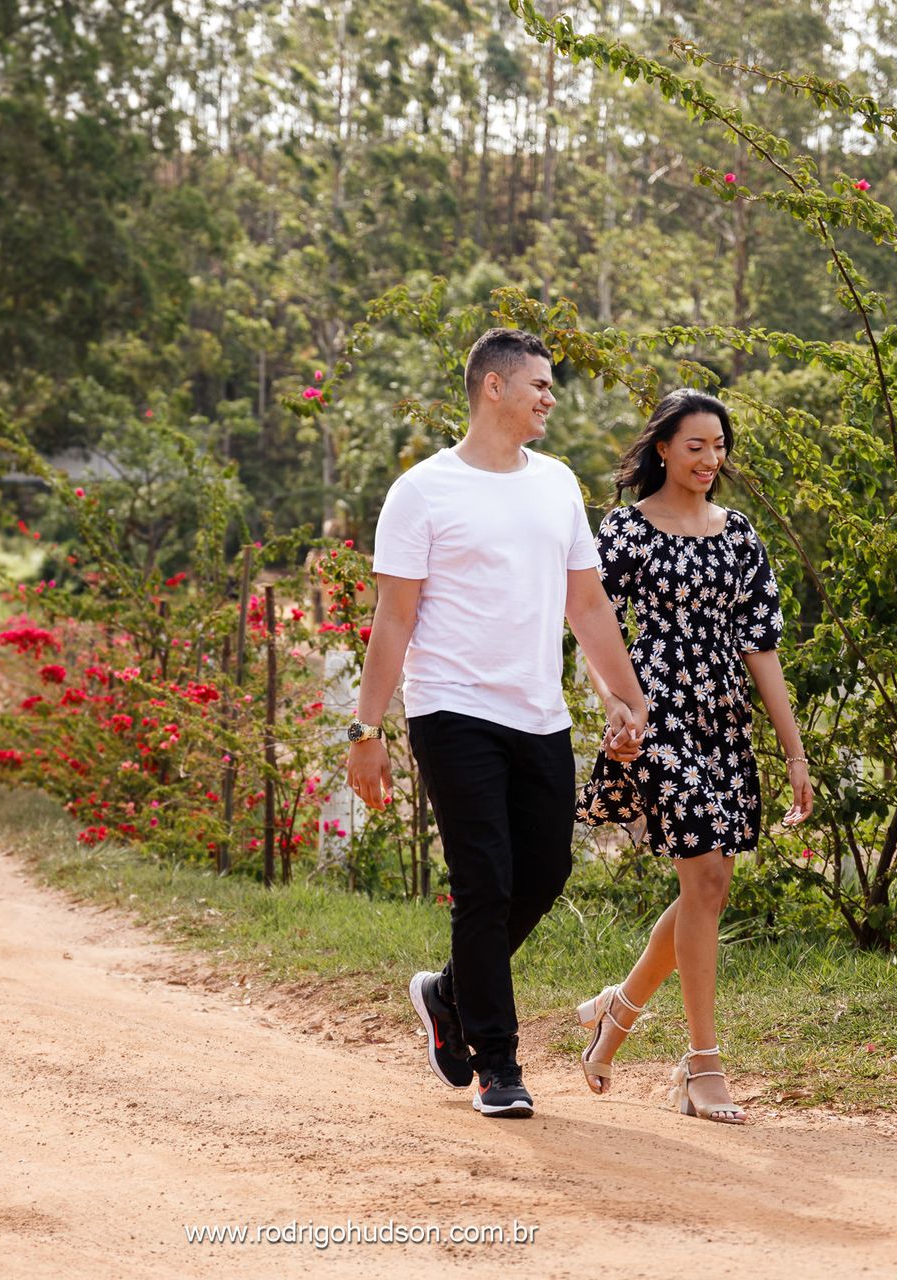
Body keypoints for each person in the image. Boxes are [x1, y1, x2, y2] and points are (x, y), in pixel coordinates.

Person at [345, 327, 649, 1119]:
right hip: (452, 710)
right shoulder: (423, 491)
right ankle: (498, 1064)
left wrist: (626, 694)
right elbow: (394, 618)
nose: (551, 397)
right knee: (485, 884)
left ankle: (447, 993)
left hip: (538, 713)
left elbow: (586, 601)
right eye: (540, 385)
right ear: (494, 388)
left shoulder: (556, 484)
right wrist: (367, 732)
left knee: (543, 875)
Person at [571, 389, 812, 1124]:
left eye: (719, 446)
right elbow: (591, 625)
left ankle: (619, 1009)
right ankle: (701, 1065)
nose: (711, 459)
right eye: (696, 445)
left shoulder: (739, 537)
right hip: (654, 711)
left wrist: (794, 752)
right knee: (705, 870)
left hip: (721, 718)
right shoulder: (626, 531)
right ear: (664, 449)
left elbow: (760, 649)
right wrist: (616, 703)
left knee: (708, 889)